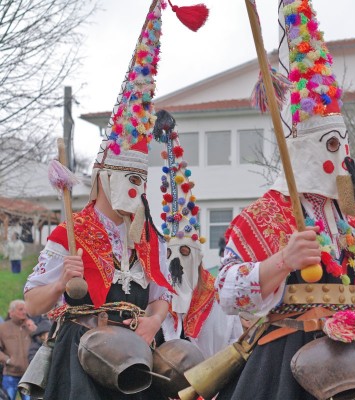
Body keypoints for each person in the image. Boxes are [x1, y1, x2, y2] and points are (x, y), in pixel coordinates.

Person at [215, 1, 355, 399]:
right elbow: (227, 292)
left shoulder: (351, 217)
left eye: (344, 141)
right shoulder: (265, 215)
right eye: (331, 143)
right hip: (288, 363)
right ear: (302, 149)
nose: (342, 155)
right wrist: (281, 262)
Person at [22, 2, 177, 399]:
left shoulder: (147, 237)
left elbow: (161, 300)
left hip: (138, 359)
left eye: (140, 178)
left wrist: (152, 323)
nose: (133, 187)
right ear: (104, 176)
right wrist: (59, 282)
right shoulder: (69, 232)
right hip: (84, 358)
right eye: (127, 176)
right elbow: (35, 302)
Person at [156, 110, 242, 359]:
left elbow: (234, 348)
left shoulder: (218, 296)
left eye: (184, 252)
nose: (176, 262)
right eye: (169, 252)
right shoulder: (157, 297)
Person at [0, 300, 35, 400]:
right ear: (11, 312)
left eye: (25, 309)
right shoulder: (3, 328)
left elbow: (42, 344)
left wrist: (35, 330)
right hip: (11, 375)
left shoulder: (30, 326)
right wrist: (8, 360)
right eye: (20, 309)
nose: (24, 312)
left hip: (29, 376)